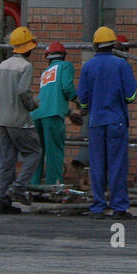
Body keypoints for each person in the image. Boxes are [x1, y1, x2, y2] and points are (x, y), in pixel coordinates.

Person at [76, 26, 137, 217]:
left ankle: (98, 206)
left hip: (96, 122)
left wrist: (89, 106)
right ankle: (119, 207)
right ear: (113, 45)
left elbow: (82, 99)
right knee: (117, 164)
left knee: (97, 164)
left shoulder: (88, 66)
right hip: (116, 120)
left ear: (95, 45)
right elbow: (131, 96)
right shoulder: (121, 65)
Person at [0, 25, 42, 214]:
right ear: (28, 48)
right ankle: (18, 188)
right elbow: (23, 91)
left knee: (7, 161)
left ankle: (2, 200)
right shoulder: (25, 66)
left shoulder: (3, 65)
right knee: (34, 153)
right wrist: (32, 104)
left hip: (1, 119)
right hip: (19, 119)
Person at [31, 41, 77, 187]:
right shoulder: (66, 66)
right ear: (63, 55)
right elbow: (66, 87)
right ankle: (53, 187)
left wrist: (69, 112)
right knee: (54, 153)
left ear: (47, 57)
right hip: (52, 116)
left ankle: (33, 186)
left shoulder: (45, 73)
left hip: (37, 115)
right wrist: (78, 102)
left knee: (38, 153)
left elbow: (49, 97)